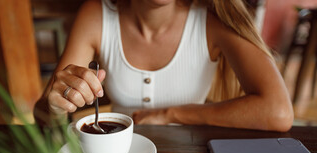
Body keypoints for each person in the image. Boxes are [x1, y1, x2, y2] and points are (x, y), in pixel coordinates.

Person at [34, 0, 294, 132]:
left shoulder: (214, 18)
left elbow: (278, 111)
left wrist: (171, 114)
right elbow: (46, 120)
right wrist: (56, 107)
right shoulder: (96, 14)